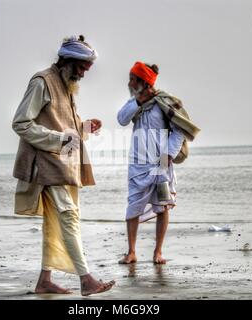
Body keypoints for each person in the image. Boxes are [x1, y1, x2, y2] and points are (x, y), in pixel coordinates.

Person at [11, 35, 115, 296]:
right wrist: (60, 140)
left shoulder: (67, 85)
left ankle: (44, 281)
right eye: (81, 67)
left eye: (86, 69)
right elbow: (21, 124)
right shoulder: (41, 82)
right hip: (46, 164)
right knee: (69, 216)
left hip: (65, 164)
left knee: (56, 221)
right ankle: (86, 280)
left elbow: (60, 124)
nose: (82, 73)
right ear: (67, 60)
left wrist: (84, 127)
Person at [117, 61, 198, 265]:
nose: (129, 82)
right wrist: (138, 101)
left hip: (161, 162)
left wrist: (168, 155)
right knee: (133, 205)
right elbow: (121, 119)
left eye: (133, 79)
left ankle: (158, 253)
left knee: (163, 206)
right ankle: (131, 252)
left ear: (143, 81)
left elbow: (179, 130)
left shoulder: (164, 102)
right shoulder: (132, 102)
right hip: (138, 162)